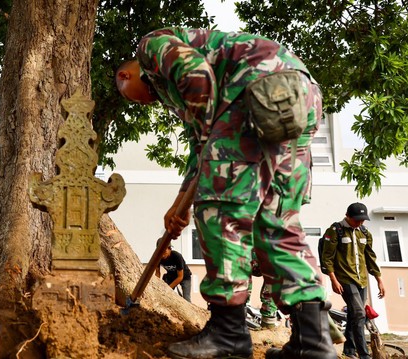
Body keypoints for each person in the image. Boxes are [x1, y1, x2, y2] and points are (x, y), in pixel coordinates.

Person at [116, 27, 335, 359]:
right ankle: (313, 343)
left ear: (126, 74)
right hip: (296, 96)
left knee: (221, 211)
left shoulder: (152, 47)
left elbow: (198, 78)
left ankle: (228, 334)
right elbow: (200, 148)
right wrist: (180, 205)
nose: (147, 101)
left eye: (135, 95)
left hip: (253, 90)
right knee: (274, 221)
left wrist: (212, 156)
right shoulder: (181, 95)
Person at [321, 202, 385, 359]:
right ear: (347, 216)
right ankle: (364, 354)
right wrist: (333, 280)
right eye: (357, 219)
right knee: (359, 313)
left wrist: (379, 280)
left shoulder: (364, 232)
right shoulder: (336, 231)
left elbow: (370, 257)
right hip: (344, 279)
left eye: (363, 220)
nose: (360, 222)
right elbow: (327, 257)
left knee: (354, 315)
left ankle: (349, 350)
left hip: (361, 279)